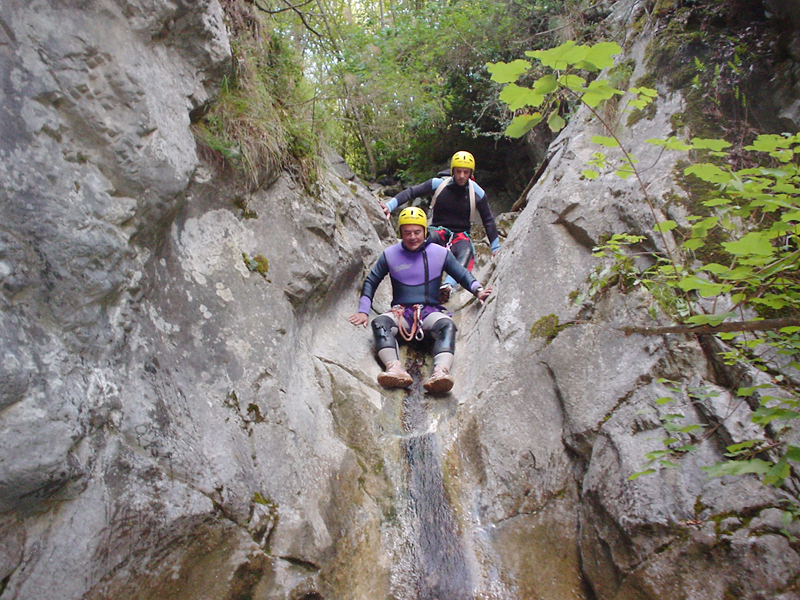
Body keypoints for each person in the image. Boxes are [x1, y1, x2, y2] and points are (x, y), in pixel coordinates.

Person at [349, 206, 493, 393]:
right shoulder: (390, 254)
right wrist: (363, 311)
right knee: (379, 324)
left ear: (425, 231)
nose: (412, 237)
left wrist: (479, 291)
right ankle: (394, 368)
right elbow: (371, 280)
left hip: (429, 313)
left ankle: (440, 373)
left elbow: (462, 274)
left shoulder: (439, 253)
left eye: (417, 232)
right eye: (407, 233)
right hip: (401, 314)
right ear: (401, 232)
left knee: (448, 326)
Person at [380, 151, 500, 302]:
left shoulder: (477, 193)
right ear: (452, 171)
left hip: (460, 236)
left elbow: (488, 220)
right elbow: (412, 192)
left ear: (471, 173)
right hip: (438, 231)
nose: (462, 175)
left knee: (467, 250)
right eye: (458, 171)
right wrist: (389, 206)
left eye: (466, 172)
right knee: (423, 239)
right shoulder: (439, 184)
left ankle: (447, 286)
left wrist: (495, 248)